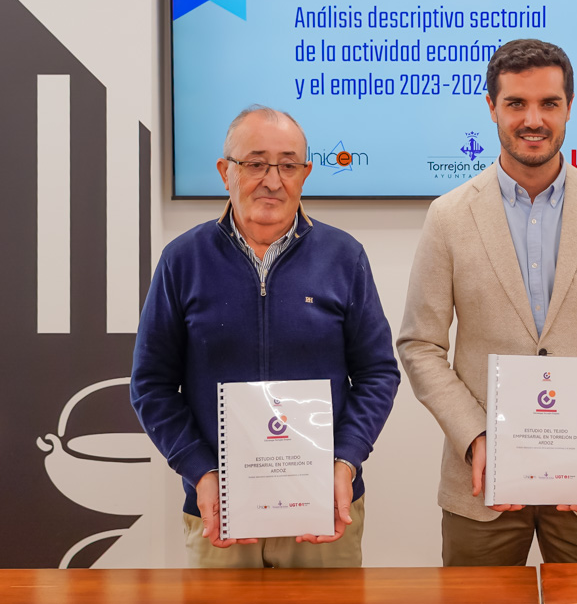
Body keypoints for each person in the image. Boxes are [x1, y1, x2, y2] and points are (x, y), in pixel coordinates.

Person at [398, 38, 577, 566]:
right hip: (482, 485)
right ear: (492, 107)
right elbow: (420, 344)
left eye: (549, 103)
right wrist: (474, 437)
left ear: (569, 107)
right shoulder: (449, 215)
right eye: (516, 103)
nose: (533, 119)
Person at [131, 106, 400, 567]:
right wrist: (201, 472)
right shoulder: (182, 261)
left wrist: (346, 461)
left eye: (288, 165)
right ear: (225, 172)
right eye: (255, 163)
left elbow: (378, 373)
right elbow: (151, 385)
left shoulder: (344, 257)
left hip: (325, 512)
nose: (272, 180)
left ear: (305, 173)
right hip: (219, 512)